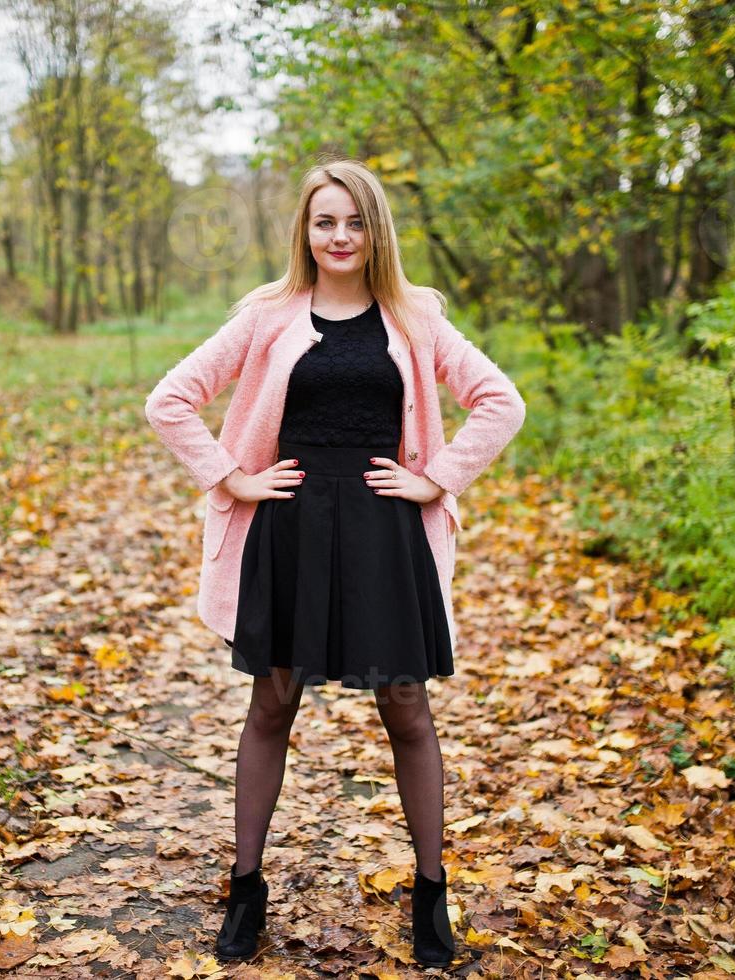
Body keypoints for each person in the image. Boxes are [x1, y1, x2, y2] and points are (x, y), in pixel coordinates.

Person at [144, 159, 525, 967]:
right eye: (325, 221)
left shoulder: (414, 318)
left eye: (354, 221)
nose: (340, 236)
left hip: (386, 532)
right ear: (304, 231)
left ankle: (430, 896)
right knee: (272, 704)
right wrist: (230, 475)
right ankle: (245, 891)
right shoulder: (267, 316)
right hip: (290, 529)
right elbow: (169, 399)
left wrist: (436, 477)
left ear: (375, 230)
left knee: (406, 709)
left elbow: (500, 401)